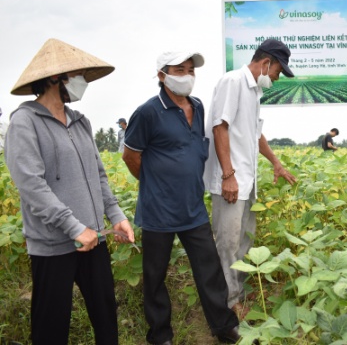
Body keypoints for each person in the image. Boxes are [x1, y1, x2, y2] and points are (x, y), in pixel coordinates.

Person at [4, 38, 135, 345]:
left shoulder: (80, 122)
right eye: (78, 76)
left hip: (95, 238)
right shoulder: (24, 123)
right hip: (53, 245)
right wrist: (75, 228)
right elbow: (32, 186)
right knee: (51, 328)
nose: (83, 83)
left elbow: (98, 174)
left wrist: (115, 215)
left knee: (106, 318)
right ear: (54, 78)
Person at [122, 51, 240, 345]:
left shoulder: (197, 107)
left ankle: (225, 328)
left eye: (190, 70)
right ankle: (160, 336)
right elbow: (130, 155)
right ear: (162, 75)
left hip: (193, 208)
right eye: (179, 69)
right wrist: (154, 185)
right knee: (155, 276)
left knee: (209, 270)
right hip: (158, 211)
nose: (187, 75)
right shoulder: (148, 112)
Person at [204, 39, 297, 316]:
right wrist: (228, 175)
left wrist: (276, 162)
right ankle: (229, 305)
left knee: (244, 240)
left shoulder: (255, 91)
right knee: (228, 244)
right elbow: (220, 127)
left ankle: (238, 293)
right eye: (278, 72)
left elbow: (255, 134)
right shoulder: (233, 82)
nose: (277, 78)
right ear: (266, 63)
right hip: (230, 181)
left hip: (246, 180)